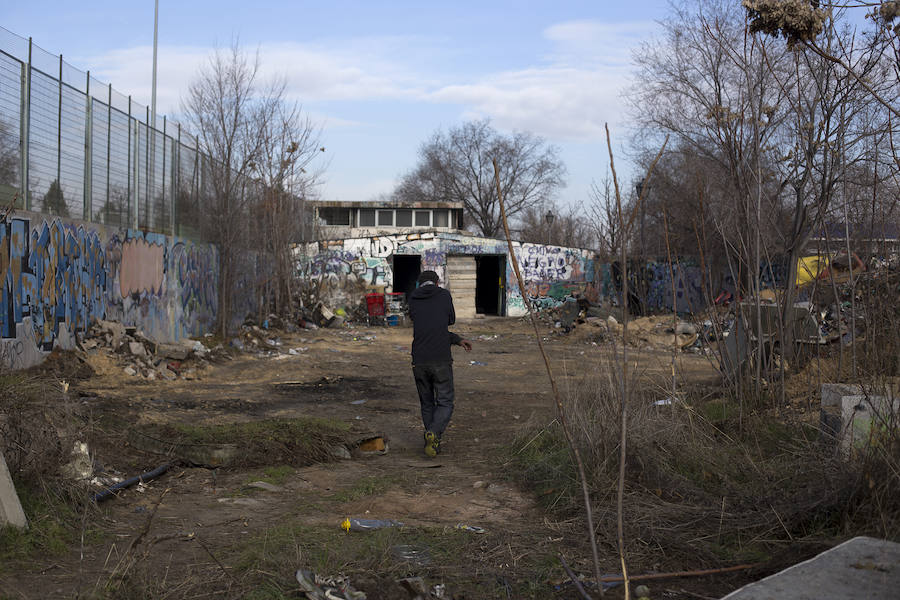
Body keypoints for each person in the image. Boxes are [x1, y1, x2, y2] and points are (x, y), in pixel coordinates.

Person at [407, 270, 472, 457]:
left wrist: (457, 340)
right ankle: (434, 434)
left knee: (427, 403)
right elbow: (449, 321)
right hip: (440, 359)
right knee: (445, 402)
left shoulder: (413, 298)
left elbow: (424, 325)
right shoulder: (444, 295)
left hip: (418, 359)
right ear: (437, 283)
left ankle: (433, 443)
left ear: (420, 284)